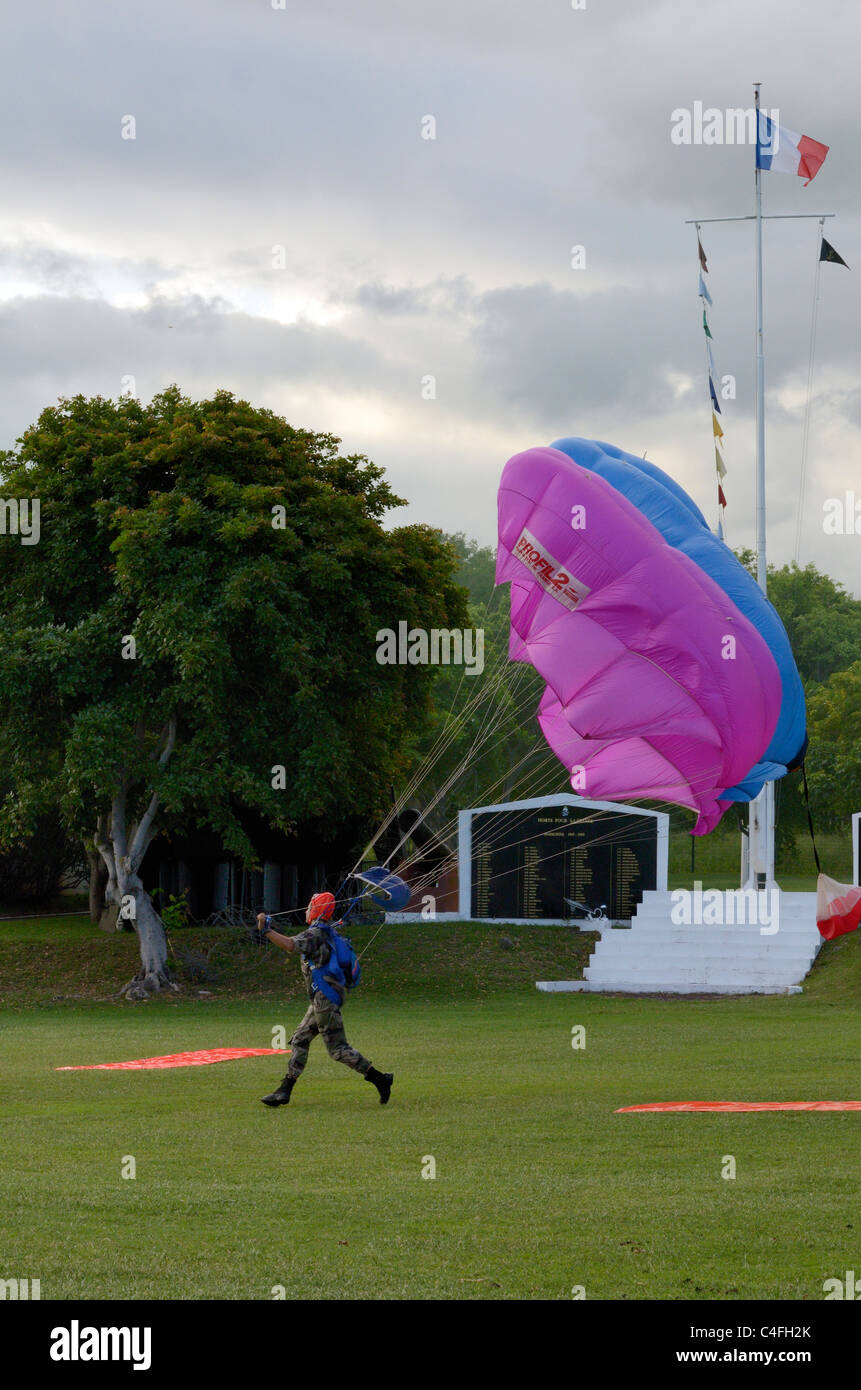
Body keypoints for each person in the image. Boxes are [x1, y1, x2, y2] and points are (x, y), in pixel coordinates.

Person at [257, 891, 393, 1108]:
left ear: (317, 909)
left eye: (310, 906)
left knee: (338, 1049)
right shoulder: (325, 932)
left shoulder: (316, 934)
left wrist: (266, 931)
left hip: (325, 999)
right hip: (324, 997)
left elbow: (290, 945)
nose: (305, 910)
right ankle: (284, 1090)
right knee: (300, 1039)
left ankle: (381, 1079)